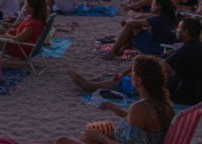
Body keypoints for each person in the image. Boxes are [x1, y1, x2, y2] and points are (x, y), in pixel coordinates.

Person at [1, 56, 173, 144]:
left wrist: (101, 139)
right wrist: (113, 109)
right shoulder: (164, 104)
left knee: (63, 142)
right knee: (87, 138)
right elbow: (139, 127)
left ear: (138, 81)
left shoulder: (140, 108)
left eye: (132, 75)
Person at [70, 18, 202, 106]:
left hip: (188, 95)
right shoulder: (195, 46)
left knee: (146, 79)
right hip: (191, 90)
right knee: (147, 72)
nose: (176, 31)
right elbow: (165, 62)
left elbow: (161, 67)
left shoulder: (189, 49)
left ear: (185, 33)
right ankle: (103, 83)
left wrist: (136, 72)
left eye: (178, 29)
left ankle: (91, 86)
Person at [103, 0, 177, 59]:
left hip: (155, 50)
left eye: (153, 4)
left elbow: (135, 23)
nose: (151, 5)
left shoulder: (158, 19)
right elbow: (145, 17)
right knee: (132, 25)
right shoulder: (167, 17)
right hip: (163, 47)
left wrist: (127, 22)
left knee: (130, 25)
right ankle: (123, 47)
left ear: (159, 6)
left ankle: (113, 51)